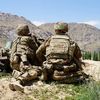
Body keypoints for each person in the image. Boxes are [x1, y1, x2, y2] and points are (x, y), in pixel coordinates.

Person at [9, 24, 41, 92]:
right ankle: (19, 81)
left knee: (24, 69)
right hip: (24, 63)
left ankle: (16, 74)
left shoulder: (16, 40)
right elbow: (36, 49)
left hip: (14, 65)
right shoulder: (28, 39)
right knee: (37, 71)